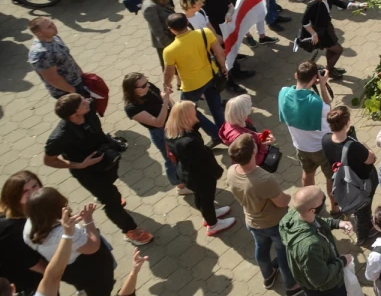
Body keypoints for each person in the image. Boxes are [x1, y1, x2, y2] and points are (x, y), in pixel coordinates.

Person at [41, 93, 153, 246]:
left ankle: (103, 193)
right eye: (82, 103)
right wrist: (79, 165)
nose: (87, 101)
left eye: (83, 99)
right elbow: (49, 160)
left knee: (111, 184)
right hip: (89, 172)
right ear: (74, 114)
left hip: (107, 158)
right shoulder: (60, 137)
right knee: (112, 201)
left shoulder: (89, 108)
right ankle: (130, 230)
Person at [227, 133, 300, 294]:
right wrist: (290, 196)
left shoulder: (232, 171)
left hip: (252, 221)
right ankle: (292, 286)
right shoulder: (264, 179)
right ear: (253, 152)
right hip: (274, 223)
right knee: (283, 253)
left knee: (261, 248)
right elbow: (282, 202)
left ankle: (268, 275)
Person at [22, 190, 117, 296]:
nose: (66, 207)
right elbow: (93, 246)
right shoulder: (65, 232)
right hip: (87, 267)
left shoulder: (29, 226)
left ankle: (83, 290)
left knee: (82, 284)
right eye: (63, 205)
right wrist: (88, 220)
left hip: (65, 270)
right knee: (100, 290)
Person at [166, 100, 235, 236]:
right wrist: (217, 172)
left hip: (187, 174)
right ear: (187, 117)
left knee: (201, 198)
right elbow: (205, 161)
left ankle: (208, 215)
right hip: (200, 177)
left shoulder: (172, 131)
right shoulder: (189, 143)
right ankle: (213, 224)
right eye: (194, 112)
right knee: (207, 199)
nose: (197, 115)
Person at [279, 185, 356, 296]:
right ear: (312, 210)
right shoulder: (310, 246)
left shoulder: (293, 215)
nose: (325, 199)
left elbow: (316, 220)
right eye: (323, 199)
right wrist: (343, 261)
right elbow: (320, 279)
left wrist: (338, 223)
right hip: (326, 289)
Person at [160, 12, 225, 142]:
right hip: (211, 76)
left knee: (189, 111)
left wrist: (166, 85)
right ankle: (225, 132)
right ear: (187, 23)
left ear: (170, 29)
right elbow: (219, 52)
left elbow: (169, 72)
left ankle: (215, 134)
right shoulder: (204, 33)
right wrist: (223, 68)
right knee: (216, 107)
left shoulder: (169, 50)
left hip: (191, 86)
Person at [279, 62, 335, 204]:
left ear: (296, 75)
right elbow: (329, 109)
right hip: (321, 147)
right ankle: (335, 209)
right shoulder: (315, 102)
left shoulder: (283, 92)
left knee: (308, 173)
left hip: (300, 146)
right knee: (331, 177)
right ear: (315, 78)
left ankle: (309, 203)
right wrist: (323, 85)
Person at [120, 72, 186, 193]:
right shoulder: (132, 108)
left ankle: (186, 175)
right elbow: (157, 123)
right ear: (132, 90)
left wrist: (174, 107)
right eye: (143, 86)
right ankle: (180, 185)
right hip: (161, 133)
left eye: (147, 82)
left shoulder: (148, 87)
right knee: (171, 159)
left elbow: (161, 95)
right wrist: (166, 103)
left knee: (182, 153)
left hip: (173, 123)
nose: (148, 86)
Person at [322, 105, 377, 245]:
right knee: (363, 209)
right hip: (360, 183)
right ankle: (363, 234)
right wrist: (366, 147)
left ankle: (354, 215)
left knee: (357, 207)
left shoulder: (325, 139)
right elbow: (371, 159)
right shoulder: (354, 146)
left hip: (342, 181)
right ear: (347, 123)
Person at [0, 171, 47, 295]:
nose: (33, 192)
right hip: (28, 278)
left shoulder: (15, 210)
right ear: (14, 197)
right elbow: (33, 263)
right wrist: (54, 275)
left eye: (35, 186)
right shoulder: (15, 230)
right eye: (25, 191)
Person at [27, 18, 87, 100]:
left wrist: (81, 73)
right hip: (66, 91)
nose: (54, 27)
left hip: (77, 80)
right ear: (39, 33)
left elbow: (68, 57)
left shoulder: (54, 37)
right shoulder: (41, 54)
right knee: (85, 111)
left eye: (52, 23)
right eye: (49, 27)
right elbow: (52, 79)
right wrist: (72, 91)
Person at [300, 0, 348, 77]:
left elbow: (340, 3)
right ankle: (327, 71)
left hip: (327, 28)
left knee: (331, 49)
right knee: (338, 50)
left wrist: (358, 5)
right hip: (321, 33)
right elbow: (304, 21)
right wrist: (313, 33)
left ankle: (330, 68)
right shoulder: (313, 3)